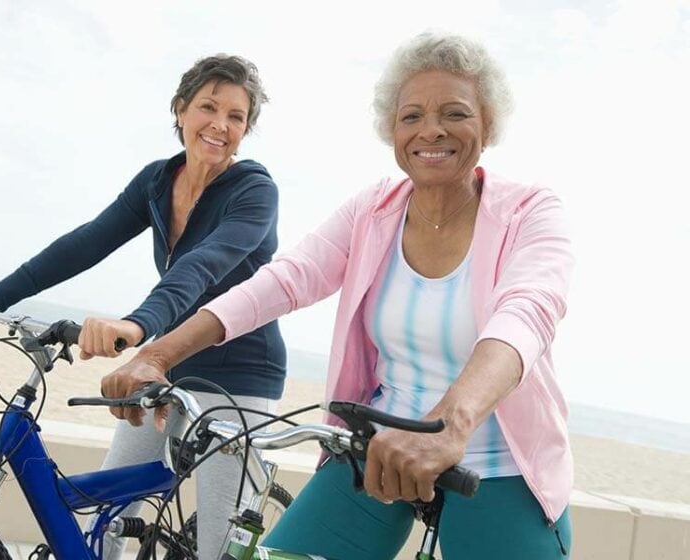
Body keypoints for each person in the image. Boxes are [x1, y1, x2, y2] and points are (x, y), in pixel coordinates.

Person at [101, 32, 574, 559]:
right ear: (392, 130)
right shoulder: (373, 211)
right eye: (411, 116)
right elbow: (282, 281)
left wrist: (448, 426)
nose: (431, 130)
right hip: (375, 452)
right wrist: (157, 355)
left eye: (455, 113)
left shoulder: (531, 212)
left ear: (486, 122)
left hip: (498, 465)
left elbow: (524, 317)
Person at [0, 54, 286, 559]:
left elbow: (201, 267)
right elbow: (86, 243)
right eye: (207, 107)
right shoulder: (157, 181)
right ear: (180, 110)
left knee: (219, 545)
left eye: (236, 117)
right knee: (102, 515)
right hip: (167, 367)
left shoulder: (254, 193)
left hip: (237, 377)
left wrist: (137, 325)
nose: (220, 125)